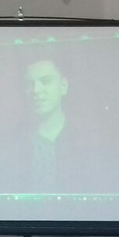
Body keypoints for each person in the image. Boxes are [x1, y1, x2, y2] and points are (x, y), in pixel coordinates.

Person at [25, 57, 69, 192]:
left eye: (45, 81)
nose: (36, 90)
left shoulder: (90, 139)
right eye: (29, 84)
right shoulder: (13, 143)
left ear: (63, 86)